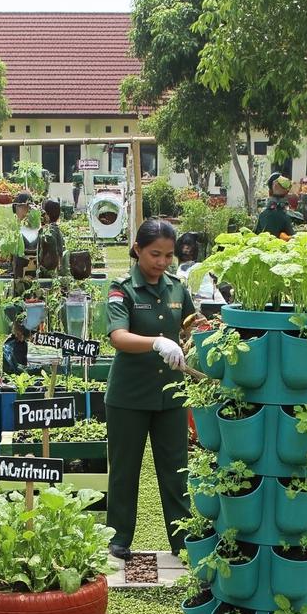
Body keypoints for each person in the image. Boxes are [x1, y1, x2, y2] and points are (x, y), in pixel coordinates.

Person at [105, 219, 197, 560]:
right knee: (125, 470)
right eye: (155, 254)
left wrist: (197, 337)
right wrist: (157, 341)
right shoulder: (122, 288)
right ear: (138, 250)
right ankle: (119, 538)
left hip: (171, 394)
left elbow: (191, 325)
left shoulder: (177, 287)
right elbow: (119, 337)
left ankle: (182, 539)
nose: (161, 262)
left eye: (168, 255)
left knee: (175, 469)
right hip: (129, 395)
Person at [255, 172, 295, 238]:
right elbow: (293, 238)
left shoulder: (262, 216)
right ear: (286, 193)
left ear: (269, 193)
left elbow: (257, 235)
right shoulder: (285, 217)